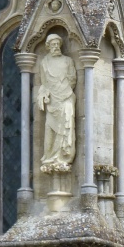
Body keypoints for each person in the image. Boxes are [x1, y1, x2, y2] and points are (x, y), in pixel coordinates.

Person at [36, 34, 76, 170]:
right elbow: (44, 83)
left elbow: (72, 78)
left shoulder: (68, 60)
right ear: (48, 47)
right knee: (49, 128)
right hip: (52, 101)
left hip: (65, 97)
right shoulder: (44, 63)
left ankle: (62, 156)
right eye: (52, 45)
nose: (55, 47)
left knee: (65, 128)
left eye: (57, 44)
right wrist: (44, 94)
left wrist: (63, 89)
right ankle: (49, 157)